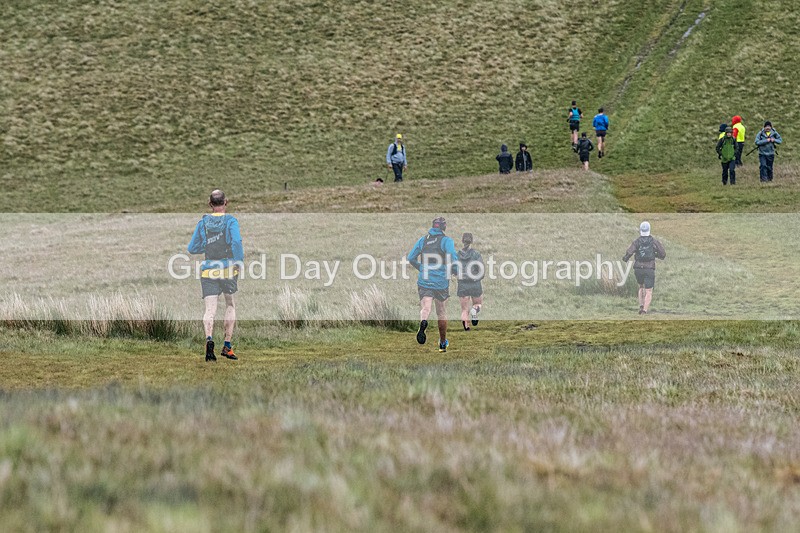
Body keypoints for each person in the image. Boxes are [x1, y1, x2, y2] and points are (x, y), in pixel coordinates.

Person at [187, 190, 243, 361]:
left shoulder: (203, 223)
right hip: (226, 268)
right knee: (230, 304)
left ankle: (209, 339)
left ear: (210, 204)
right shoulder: (231, 221)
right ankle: (227, 346)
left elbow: (192, 248)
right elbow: (236, 242)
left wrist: (206, 245)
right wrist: (238, 261)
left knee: (210, 310)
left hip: (208, 269)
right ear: (226, 202)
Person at [407, 217, 459, 353]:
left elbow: (411, 258)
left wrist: (422, 269)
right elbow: (453, 258)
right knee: (441, 312)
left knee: (426, 308)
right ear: (444, 227)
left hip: (424, 281)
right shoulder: (446, 241)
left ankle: (423, 322)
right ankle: (442, 343)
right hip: (441, 282)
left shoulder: (423, 240)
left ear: (433, 226)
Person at [622, 221, 666, 315]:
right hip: (649, 268)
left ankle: (641, 305)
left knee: (640, 286)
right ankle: (644, 311)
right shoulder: (654, 241)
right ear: (649, 229)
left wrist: (625, 258)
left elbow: (630, 251)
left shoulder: (637, 241)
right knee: (649, 290)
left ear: (640, 230)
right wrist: (657, 255)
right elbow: (663, 254)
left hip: (638, 268)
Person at [457, 233, 484, 331]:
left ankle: (466, 328)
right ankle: (474, 311)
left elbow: (453, 268)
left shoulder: (457, 255)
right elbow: (481, 269)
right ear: (472, 241)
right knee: (478, 304)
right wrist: (477, 278)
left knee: (464, 309)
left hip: (462, 284)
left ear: (462, 241)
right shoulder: (476, 254)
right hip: (475, 283)